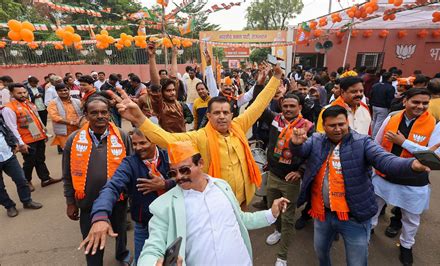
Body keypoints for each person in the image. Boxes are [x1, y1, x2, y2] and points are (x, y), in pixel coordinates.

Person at [290, 105, 440, 266]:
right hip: (322, 214)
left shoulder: (363, 142)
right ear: (324, 126)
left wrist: (412, 165)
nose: (338, 129)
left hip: (354, 217)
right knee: (321, 252)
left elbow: (386, 160)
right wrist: (295, 145)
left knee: (357, 262)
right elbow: (302, 151)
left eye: (342, 124)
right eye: (332, 126)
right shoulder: (317, 140)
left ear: (347, 123)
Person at [112, 64, 283, 206]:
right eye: (216, 113)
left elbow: (259, 104)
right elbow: (166, 139)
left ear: (232, 115)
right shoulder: (200, 137)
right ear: (208, 116)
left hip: (244, 197)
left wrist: (275, 79)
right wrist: (140, 119)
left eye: (225, 112)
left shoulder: (239, 125)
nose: (222, 116)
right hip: (217, 201)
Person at [138, 141, 289, 265]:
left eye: (184, 170)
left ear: (201, 163)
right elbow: (152, 249)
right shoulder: (165, 206)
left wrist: (272, 213)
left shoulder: (222, 186)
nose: (178, 177)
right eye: (173, 173)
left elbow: (241, 219)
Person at [371, 88, 440, 265]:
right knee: (373, 208)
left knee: (411, 218)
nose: (420, 106)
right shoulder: (391, 118)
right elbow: (376, 143)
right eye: (416, 102)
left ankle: (406, 246)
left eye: (425, 103)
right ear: (405, 101)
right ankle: (369, 231)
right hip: (385, 175)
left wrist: (404, 142)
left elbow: (437, 155)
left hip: (414, 180)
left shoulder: (436, 124)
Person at [78, 129, 174, 264]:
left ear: (155, 141)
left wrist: (165, 184)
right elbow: (112, 187)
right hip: (144, 226)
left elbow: (188, 179)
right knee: (142, 261)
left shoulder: (170, 157)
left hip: (171, 222)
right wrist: (100, 216)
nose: (138, 148)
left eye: (143, 143)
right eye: (134, 144)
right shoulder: (129, 163)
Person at [62, 96, 133, 266]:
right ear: (86, 115)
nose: (100, 116)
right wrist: (70, 202)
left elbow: (131, 167)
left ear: (109, 114)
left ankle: (121, 253)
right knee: (91, 239)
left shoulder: (122, 136)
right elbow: (67, 174)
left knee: (120, 231)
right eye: (94, 113)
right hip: (87, 201)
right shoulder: (73, 140)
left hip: (118, 199)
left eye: (104, 112)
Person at [258, 94, 314, 266]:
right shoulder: (275, 119)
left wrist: (301, 171)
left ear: (300, 108)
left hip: (291, 179)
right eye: (285, 106)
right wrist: (263, 85)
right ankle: (278, 230)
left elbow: (312, 152)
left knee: (288, 216)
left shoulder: (307, 126)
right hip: (274, 174)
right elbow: (258, 105)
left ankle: (282, 257)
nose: (288, 109)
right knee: (272, 208)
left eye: (292, 106)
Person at [2, 83, 60, 192]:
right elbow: (12, 128)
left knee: (40, 159)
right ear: (12, 93)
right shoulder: (8, 109)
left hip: (38, 137)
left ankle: (45, 179)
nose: (23, 95)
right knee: (29, 162)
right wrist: (20, 143)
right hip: (26, 141)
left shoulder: (28, 103)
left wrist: (44, 132)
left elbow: (36, 119)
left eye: (24, 92)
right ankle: (26, 181)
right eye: (19, 93)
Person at [0, 116, 42, 217]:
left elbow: (7, 130)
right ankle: (9, 206)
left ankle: (27, 201)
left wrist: (14, 144)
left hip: (8, 155)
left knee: (21, 179)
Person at [47, 83, 82, 150]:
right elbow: (55, 117)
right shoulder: (53, 103)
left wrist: (79, 122)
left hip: (78, 130)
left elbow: (83, 114)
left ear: (69, 90)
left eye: (65, 90)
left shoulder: (77, 101)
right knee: (67, 151)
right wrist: (71, 123)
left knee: (79, 150)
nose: (63, 92)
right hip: (64, 133)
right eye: (60, 91)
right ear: (57, 92)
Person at [370, 72, 396, 136]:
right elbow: (389, 99)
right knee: (379, 123)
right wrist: (389, 107)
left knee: (374, 121)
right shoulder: (390, 87)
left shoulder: (376, 85)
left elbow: (371, 95)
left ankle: (370, 134)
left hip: (374, 105)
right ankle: (373, 137)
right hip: (383, 107)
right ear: (389, 78)